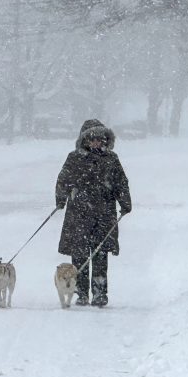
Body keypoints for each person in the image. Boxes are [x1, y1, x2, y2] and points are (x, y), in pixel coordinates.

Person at [55, 119, 132, 307]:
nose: (96, 143)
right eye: (92, 139)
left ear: (105, 140)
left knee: (100, 256)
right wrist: (60, 199)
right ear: (84, 140)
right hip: (78, 214)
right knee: (79, 255)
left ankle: (99, 293)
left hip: (104, 214)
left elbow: (121, 182)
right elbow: (63, 180)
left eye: (100, 139)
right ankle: (81, 292)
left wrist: (125, 202)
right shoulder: (74, 158)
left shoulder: (111, 159)